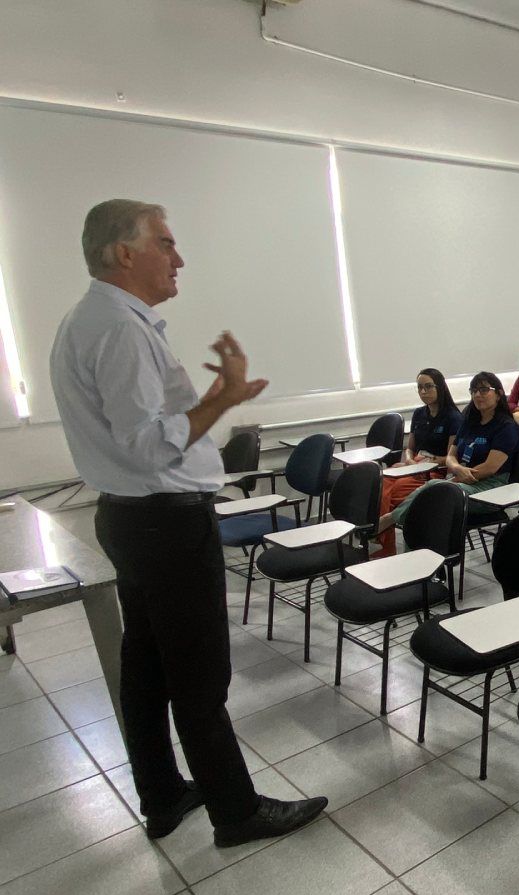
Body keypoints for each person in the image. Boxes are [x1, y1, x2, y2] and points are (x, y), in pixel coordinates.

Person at [49, 199, 326, 847]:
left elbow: (144, 436)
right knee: (198, 678)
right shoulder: (117, 327)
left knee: (146, 666)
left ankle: (164, 793)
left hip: (134, 519)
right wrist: (224, 399)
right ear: (124, 253)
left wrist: (215, 400)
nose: (178, 259)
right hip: (165, 525)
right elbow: (150, 446)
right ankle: (237, 811)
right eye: (166, 244)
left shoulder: (93, 319)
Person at [379, 371, 519, 536]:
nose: (477, 394)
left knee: (433, 492)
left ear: (499, 394)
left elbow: (490, 467)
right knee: (427, 506)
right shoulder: (469, 423)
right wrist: (457, 469)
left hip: (490, 487)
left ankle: (389, 520)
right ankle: (417, 551)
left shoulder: (506, 427)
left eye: (483, 390)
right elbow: (451, 456)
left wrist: (457, 477)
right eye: (473, 390)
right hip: (462, 480)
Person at [375, 368, 462, 554]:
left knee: (392, 493)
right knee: (379, 482)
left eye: (429, 387)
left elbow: (450, 459)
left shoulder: (453, 417)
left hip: (434, 470)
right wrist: (409, 460)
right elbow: (410, 448)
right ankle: (384, 545)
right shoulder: (418, 414)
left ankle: (381, 543)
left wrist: (426, 461)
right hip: (413, 464)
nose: (424, 392)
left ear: (440, 387)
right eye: (420, 387)